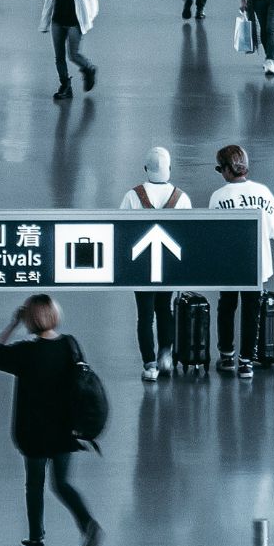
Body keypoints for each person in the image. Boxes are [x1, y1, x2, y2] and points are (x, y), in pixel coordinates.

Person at [0, 295, 103, 546]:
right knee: (62, 483)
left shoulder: (26, 352)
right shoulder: (70, 345)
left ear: (29, 319)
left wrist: (12, 324)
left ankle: (36, 539)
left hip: (34, 432)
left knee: (35, 485)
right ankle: (87, 523)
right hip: (66, 429)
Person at [209, 145, 274, 379]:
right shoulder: (264, 193)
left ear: (229, 170)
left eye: (221, 169)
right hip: (257, 264)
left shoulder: (219, 197)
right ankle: (247, 362)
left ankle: (227, 355)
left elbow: (213, 234)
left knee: (227, 307)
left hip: (228, 264)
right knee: (252, 311)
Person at [121, 147, 190, 381]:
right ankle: (166, 356)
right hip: (169, 266)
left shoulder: (132, 196)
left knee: (144, 315)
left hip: (141, 267)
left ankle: (149, 365)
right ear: (169, 168)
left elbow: (120, 230)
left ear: (145, 169)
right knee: (164, 309)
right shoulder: (181, 198)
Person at [39, 0, 100, 100]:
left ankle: (88, 69)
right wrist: (45, 22)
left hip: (74, 23)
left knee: (73, 54)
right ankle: (65, 85)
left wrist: (89, 18)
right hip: (57, 21)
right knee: (59, 56)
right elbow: (49, 0)